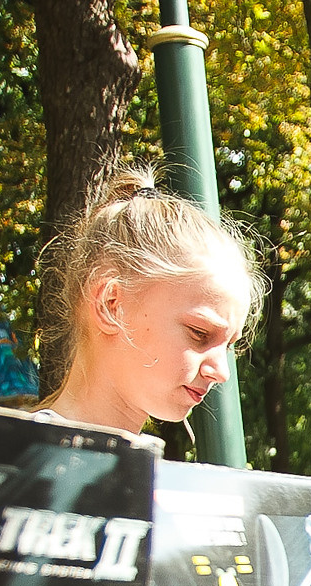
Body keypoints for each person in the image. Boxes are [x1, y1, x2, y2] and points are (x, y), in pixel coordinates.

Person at [34, 167, 261, 435]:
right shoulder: (14, 462)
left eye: (229, 346)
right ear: (111, 304)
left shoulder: (150, 470)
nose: (221, 372)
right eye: (199, 334)